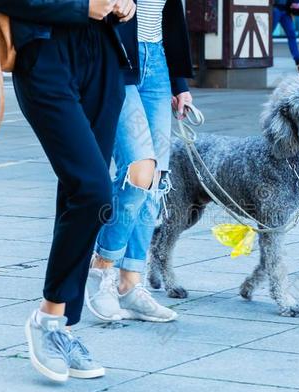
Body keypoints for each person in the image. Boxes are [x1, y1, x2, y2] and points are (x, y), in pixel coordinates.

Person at [0, 0, 136, 382]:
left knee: (78, 194)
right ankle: (48, 318)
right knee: (94, 191)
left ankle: (63, 327)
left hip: (102, 56)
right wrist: (82, 6)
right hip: (46, 56)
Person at [86, 0, 193, 323]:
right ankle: (103, 266)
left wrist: (180, 84)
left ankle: (130, 283)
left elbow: (170, 13)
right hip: (116, 61)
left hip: (157, 63)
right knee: (138, 170)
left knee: (156, 179)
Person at [273, 0, 299, 71]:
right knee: (267, 34)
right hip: (275, 9)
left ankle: (298, 58)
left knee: (292, 35)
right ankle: (260, 55)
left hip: (286, 11)